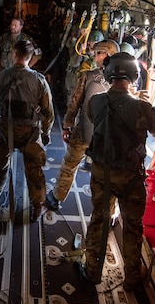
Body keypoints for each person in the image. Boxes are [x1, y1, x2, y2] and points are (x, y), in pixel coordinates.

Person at [78, 52, 155, 291]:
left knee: (99, 219)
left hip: (102, 173)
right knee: (133, 225)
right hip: (131, 177)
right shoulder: (143, 108)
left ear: (108, 74)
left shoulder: (96, 102)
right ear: (135, 76)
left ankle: (92, 269)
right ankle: (133, 276)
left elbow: (93, 119)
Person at [0, 40, 54, 222]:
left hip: (4, 130)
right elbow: (48, 112)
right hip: (30, 131)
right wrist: (45, 133)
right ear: (29, 58)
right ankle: (37, 207)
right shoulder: (39, 80)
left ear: (13, 54)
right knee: (34, 171)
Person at [46, 39, 119, 212]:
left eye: (99, 53)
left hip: (85, 132)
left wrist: (67, 125)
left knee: (70, 165)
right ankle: (106, 209)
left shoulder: (88, 76)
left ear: (108, 55)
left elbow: (75, 104)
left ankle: (56, 197)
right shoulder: (124, 82)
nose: (95, 55)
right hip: (106, 137)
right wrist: (67, 124)